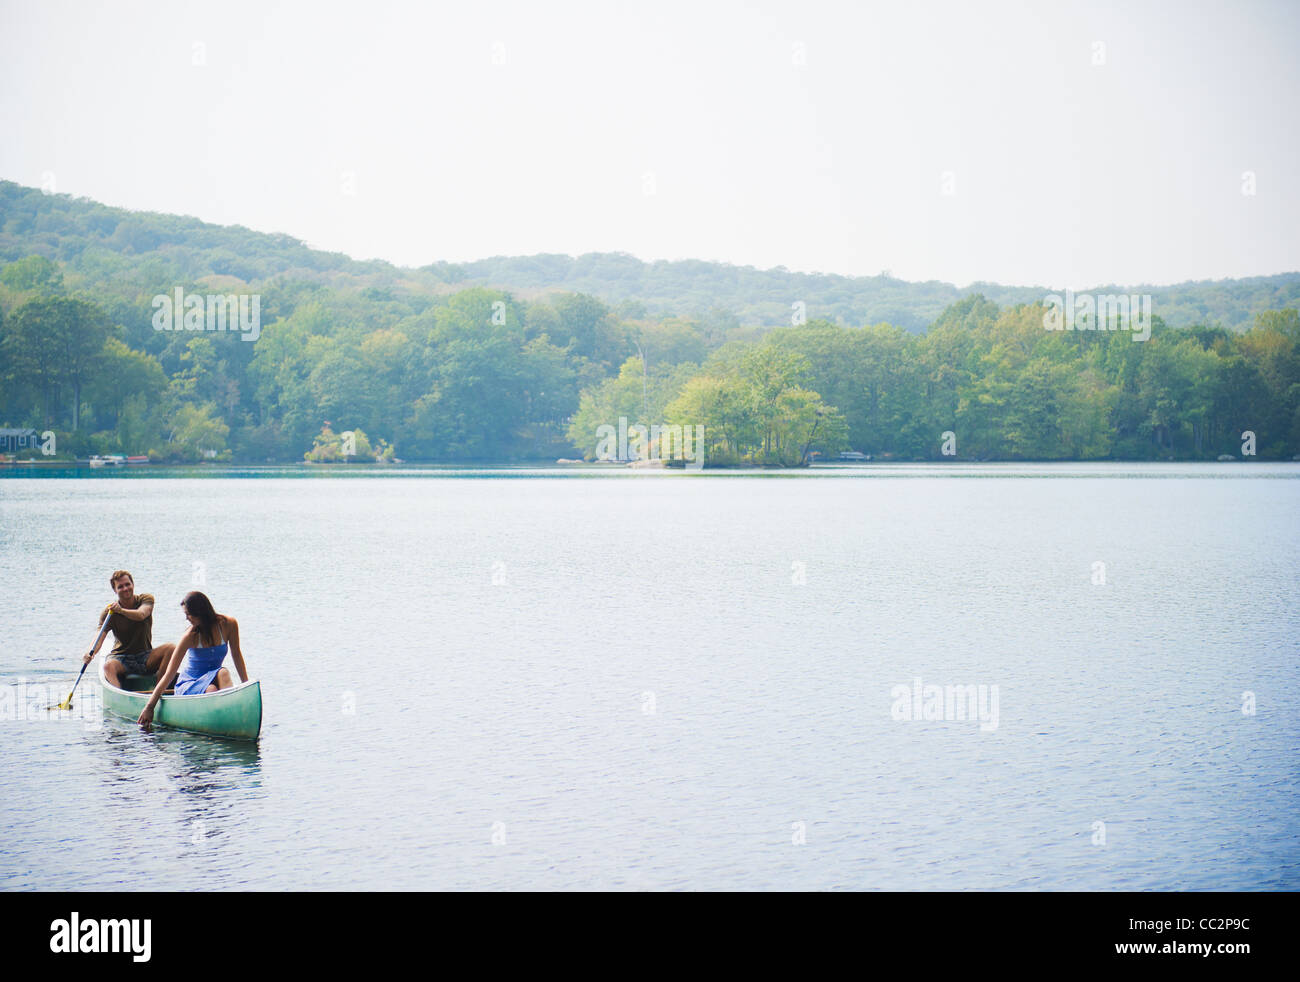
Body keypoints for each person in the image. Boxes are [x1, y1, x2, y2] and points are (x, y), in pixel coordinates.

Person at [138, 591, 249, 733]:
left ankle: (231, 714)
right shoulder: (189, 636)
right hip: (190, 683)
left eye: (188, 614)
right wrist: (149, 707)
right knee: (212, 689)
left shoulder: (229, 624)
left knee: (223, 673)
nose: (187, 619)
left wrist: (246, 687)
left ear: (200, 612)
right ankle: (224, 722)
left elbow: (237, 656)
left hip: (213, 677)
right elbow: (169, 674)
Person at [86, 570, 175, 689]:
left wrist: (121, 611)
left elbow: (141, 614)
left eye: (128, 584)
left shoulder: (145, 599)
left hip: (145, 655)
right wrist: (90, 653)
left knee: (171, 648)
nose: (125, 588)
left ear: (133, 584)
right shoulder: (109, 612)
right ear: (115, 590)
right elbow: (99, 636)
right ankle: (120, 695)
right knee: (108, 667)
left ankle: (159, 690)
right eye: (120, 587)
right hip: (121, 657)